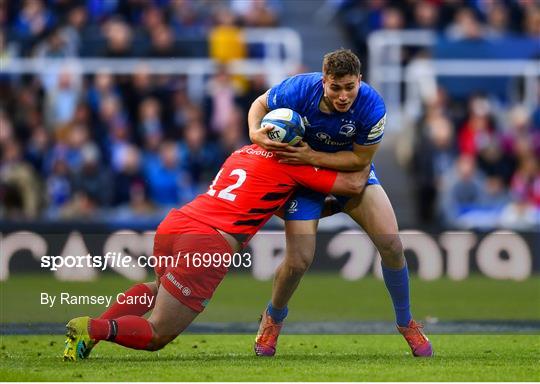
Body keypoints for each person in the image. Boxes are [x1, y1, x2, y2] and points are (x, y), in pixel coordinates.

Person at [63, 138, 369, 361]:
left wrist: (325, 209)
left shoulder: (242, 152)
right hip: (207, 242)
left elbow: (271, 203)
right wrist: (366, 151)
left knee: (159, 289)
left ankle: (88, 339)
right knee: (158, 333)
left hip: (176, 223)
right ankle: (93, 328)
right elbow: (354, 185)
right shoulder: (294, 163)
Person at [247, 48, 433, 357]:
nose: (344, 95)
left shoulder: (372, 106)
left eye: (350, 87)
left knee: (392, 244)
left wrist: (309, 155)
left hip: (348, 175)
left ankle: (406, 322)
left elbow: (360, 159)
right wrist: (255, 133)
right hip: (305, 180)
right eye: (336, 87)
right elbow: (260, 104)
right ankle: (273, 319)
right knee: (299, 261)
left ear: (360, 80)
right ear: (324, 81)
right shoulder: (299, 88)